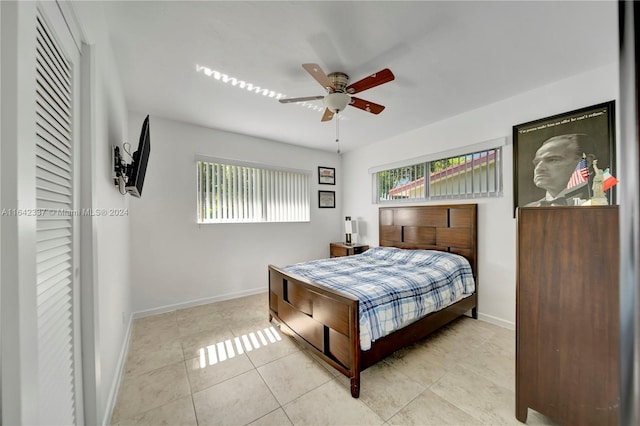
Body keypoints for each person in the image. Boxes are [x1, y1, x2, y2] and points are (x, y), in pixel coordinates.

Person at [525, 134, 593, 206]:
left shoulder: (602, 201)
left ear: (586, 162)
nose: (538, 168)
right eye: (536, 162)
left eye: (552, 160)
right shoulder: (528, 207)